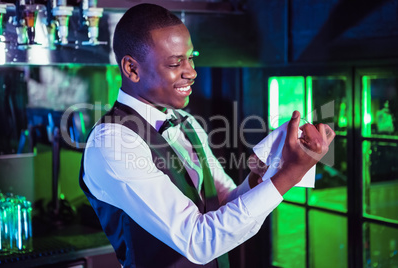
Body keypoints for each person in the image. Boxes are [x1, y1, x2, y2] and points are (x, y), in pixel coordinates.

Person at [79, 3, 335, 268]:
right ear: (132, 69)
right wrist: (290, 173)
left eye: (191, 57)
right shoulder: (112, 143)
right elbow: (198, 241)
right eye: (175, 62)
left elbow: (224, 206)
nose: (191, 72)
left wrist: (261, 177)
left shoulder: (187, 123)